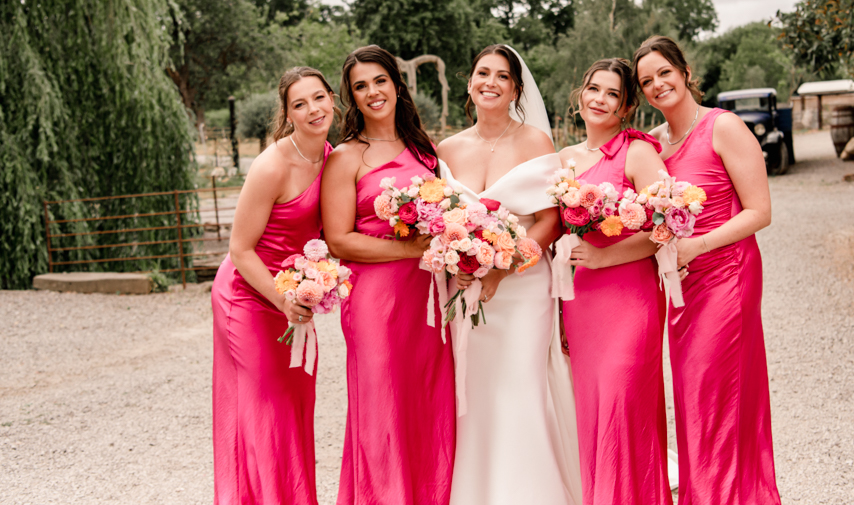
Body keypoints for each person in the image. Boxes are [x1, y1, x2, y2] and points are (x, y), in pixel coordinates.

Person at [633, 35, 781, 505]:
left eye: (664, 73)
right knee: (693, 399)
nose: (657, 85)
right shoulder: (653, 144)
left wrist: (696, 246)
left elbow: (760, 211)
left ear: (685, 72)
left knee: (718, 394)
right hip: (679, 285)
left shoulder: (724, 127)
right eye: (646, 82)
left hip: (727, 275)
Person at [436, 44, 581, 505]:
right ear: (469, 82)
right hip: (466, 292)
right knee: (476, 391)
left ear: (516, 89)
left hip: (522, 288)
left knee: (519, 384)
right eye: (483, 73)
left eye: (502, 76)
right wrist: (460, 262)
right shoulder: (447, 149)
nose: (490, 83)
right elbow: (440, 221)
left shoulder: (535, 141)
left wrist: (504, 268)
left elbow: (550, 221)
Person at [322, 45, 455, 505]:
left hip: (425, 297)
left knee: (425, 402)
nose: (372, 92)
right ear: (352, 98)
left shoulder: (424, 150)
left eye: (380, 81)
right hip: (374, 301)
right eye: (360, 86)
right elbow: (339, 240)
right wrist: (408, 247)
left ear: (397, 85)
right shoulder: (345, 157)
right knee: (381, 407)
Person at [212, 66, 337, 505]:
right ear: (287, 115)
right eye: (299, 104)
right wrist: (284, 299)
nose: (312, 109)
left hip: (293, 295)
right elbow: (240, 249)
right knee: (266, 410)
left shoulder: (334, 157)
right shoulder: (271, 166)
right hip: (249, 295)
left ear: (333, 99)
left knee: (294, 407)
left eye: (318, 98)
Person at [556, 58, 673, 505]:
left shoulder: (639, 153)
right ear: (580, 95)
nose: (599, 100)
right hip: (582, 303)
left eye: (612, 94)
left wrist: (607, 258)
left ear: (626, 107)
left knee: (623, 404)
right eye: (593, 89)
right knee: (593, 413)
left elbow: (667, 227)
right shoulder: (567, 159)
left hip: (630, 300)